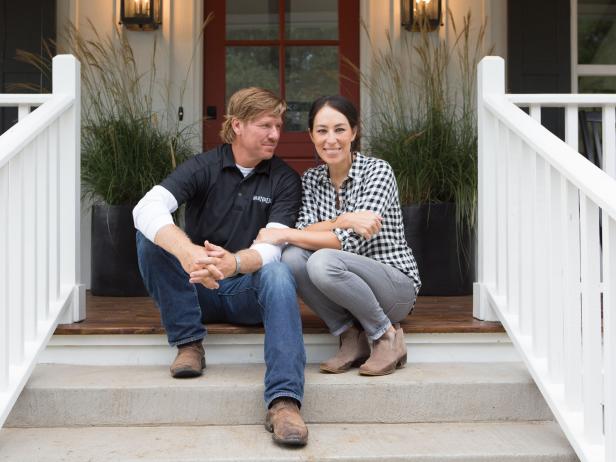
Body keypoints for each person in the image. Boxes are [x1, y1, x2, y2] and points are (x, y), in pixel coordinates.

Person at [133, 87, 308, 446]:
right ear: (238, 125)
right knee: (150, 237)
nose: (275, 134)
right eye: (265, 125)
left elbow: (274, 244)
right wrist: (188, 252)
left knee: (278, 271)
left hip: (248, 292)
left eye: (279, 125)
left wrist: (236, 263)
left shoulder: (285, 179)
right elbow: (146, 208)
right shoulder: (204, 166)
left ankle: (284, 401)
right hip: (197, 288)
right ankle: (189, 343)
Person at [255, 95, 421, 376]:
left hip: (394, 288)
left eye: (339, 129)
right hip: (343, 285)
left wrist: (293, 233)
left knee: (321, 260)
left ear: (354, 132)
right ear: (311, 135)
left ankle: (385, 336)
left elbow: (348, 241)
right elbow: (304, 231)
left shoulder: (378, 171)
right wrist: (342, 220)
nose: (330, 139)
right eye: (322, 131)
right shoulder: (310, 179)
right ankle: (349, 336)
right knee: (294, 258)